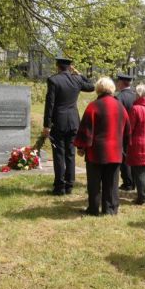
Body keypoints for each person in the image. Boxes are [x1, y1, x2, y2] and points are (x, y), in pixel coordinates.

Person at [73, 77, 130, 216]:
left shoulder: (94, 106)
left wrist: (81, 147)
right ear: (112, 89)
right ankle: (110, 209)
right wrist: (125, 148)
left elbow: (86, 129)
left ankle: (93, 209)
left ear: (98, 89)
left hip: (96, 151)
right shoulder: (120, 106)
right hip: (115, 151)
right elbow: (127, 129)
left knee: (94, 183)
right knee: (112, 182)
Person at [43, 56, 94, 195]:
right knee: (70, 154)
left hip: (59, 121)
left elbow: (50, 104)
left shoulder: (53, 80)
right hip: (73, 121)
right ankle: (69, 184)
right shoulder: (76, 79)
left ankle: (60, 187)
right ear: (70, 66)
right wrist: (80, 74)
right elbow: (91, 86)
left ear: (57, 66)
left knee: (59, 154)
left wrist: (46, 125)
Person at [116, 73, 137, 191]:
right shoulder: (135, 96)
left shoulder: (119, 97)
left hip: (123, 132)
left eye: (118, 82)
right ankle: (133, 181)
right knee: (133, 157)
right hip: (135, 131)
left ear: (121, 83)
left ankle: (128, 183)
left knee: (124, 157)